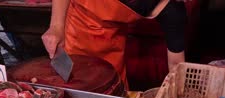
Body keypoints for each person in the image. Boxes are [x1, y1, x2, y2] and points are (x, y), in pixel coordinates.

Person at [42, 0, 189, 89]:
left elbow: (176, 66)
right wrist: (56, 26)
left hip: (113, 40)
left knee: (112, 89)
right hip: (78, 27)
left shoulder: (172, 11)